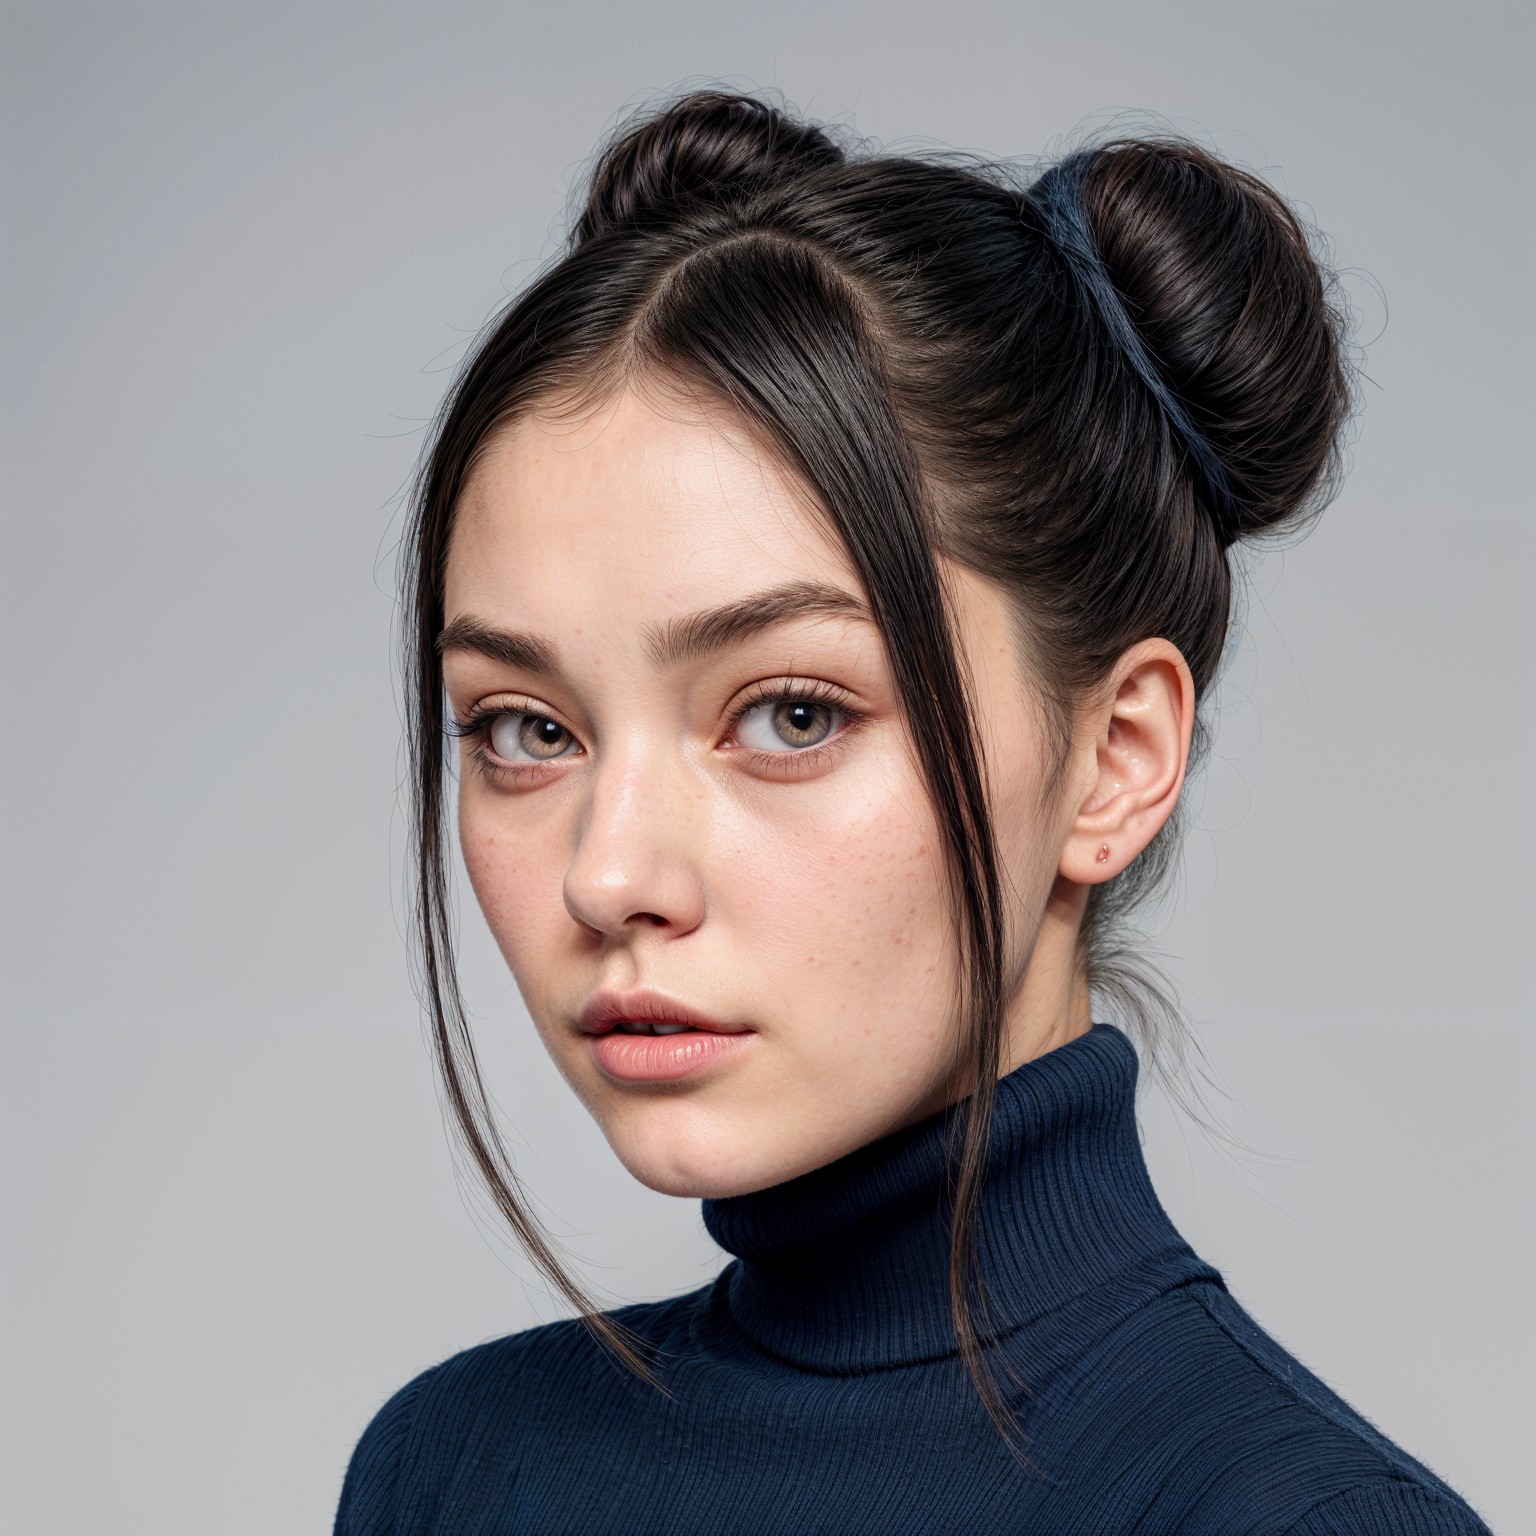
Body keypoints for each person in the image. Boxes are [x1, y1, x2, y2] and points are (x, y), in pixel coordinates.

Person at [334, 89, 1491, 1534]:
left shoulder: (1282, 1518)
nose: (610, 872)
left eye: (791, 715)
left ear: (1115, 760)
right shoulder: (452, 1472)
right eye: (529, 729)